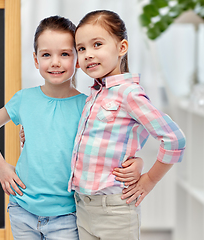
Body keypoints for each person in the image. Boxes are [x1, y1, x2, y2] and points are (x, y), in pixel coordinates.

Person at [0, 15, 142, 240]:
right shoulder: (24, 99)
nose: (55, 62)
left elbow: (112, 144)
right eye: (46, 54)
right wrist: (0, 166)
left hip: (68, 216)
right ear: (36, 60)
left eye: (65, 54)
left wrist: (137, 161)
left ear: (77, 59)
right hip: (22, 210)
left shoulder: (89, 106)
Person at [69, 10, 186, 240]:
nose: (88, 54)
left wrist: (149, 179)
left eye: (97, 44)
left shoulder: (129, 94)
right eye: (81, 48)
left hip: (115, 210)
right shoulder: (94, 95)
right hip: (83, 207)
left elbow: (174, 139)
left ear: (122, 48)